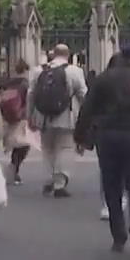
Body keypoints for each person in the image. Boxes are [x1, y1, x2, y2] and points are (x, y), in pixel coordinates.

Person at [74, 43, 130, 253]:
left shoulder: (105, 78)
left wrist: (80, 136)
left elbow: (87, 108)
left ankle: (118, 234)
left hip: (108, 138)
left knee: (112, 187)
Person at [28, 43, 88, 198]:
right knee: (65, 148)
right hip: (66, 116)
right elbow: (83, 95)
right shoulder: (75, 71)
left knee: (47, 148)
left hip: (43, 116)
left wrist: (30, 116)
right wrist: (86, 116)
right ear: (68, 55)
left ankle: (48, 179)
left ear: (53, 54)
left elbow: (31, 95)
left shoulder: (38, 71)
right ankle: (59, 182)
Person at [1, 59, 33, 186]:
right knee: (23, 145)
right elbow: (29, 101)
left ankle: (14, 170)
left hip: (10, 118)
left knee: (16, 144)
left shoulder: (9, 83)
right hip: (22, 117)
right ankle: (13, 169)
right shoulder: (25, 84)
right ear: (25, 70)